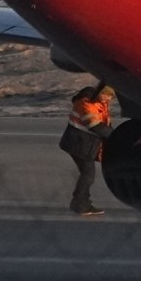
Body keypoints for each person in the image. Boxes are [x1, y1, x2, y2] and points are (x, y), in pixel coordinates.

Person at [61, 80, 116, 215]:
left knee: (87, 174)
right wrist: (116, 136)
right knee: (88, 174)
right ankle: (79, 204)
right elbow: (93, 125)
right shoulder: (87, 103)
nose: (108, 99)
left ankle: (81, 203)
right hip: (78, 143)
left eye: (111, 97)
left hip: (84, 143)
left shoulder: (100, 102)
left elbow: (104, 123)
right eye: (107, 95)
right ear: (100, 93)